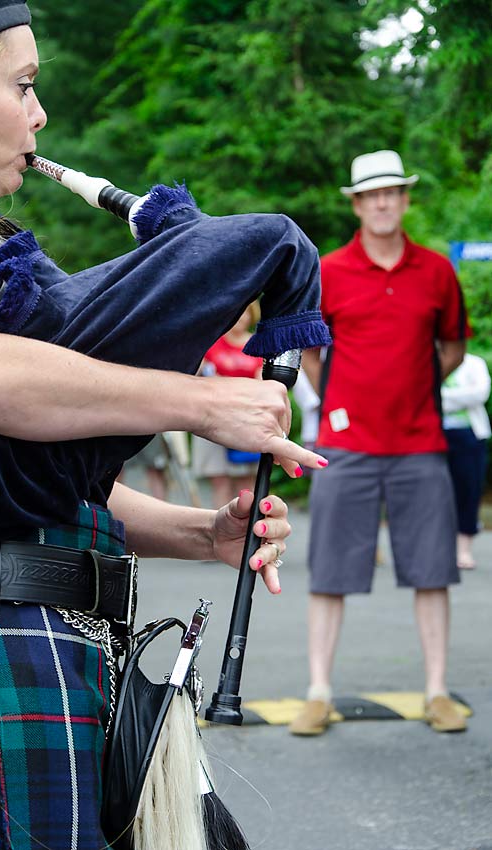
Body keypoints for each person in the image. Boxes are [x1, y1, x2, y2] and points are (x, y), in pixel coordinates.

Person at [0, 2, 333, 848]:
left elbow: (51, 464)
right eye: (24, 84)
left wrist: (199, 532)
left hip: (56, 647)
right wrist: (198, 401)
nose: (40, 115)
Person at [290, 149, 470, 738]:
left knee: (432, 570)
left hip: (420, 442)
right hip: (347, 445)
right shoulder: (331, 270)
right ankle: (318, 691)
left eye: (391, 192)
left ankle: (437, 691)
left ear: (404, 198)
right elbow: (312, 353)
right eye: (371, 195)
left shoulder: (437, 270)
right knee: (330, 570)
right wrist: (341, 405)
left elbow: (452, 349)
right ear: (358, 204)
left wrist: (412, 392)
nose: (383, 202)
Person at [191, 302, 264, 507]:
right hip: (213, 416)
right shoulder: (212, 342)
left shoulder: (258, 344)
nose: (241, 318)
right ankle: (219, 528)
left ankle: (246, 531)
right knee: (220, 480)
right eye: (237, 313)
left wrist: (224, 383)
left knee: (246, 484)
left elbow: (262, 382)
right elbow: (199, 376)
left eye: (245, 314)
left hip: (246, 419)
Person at [442, 352, 491, 569]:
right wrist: (462, 396)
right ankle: (441, 551)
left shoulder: (474, 363)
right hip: (434, 436)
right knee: (435, 495)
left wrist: (443, 397)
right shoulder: (423, 358)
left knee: (469, 492)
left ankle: (464, 551)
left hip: (470, 436)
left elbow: (480, 393)